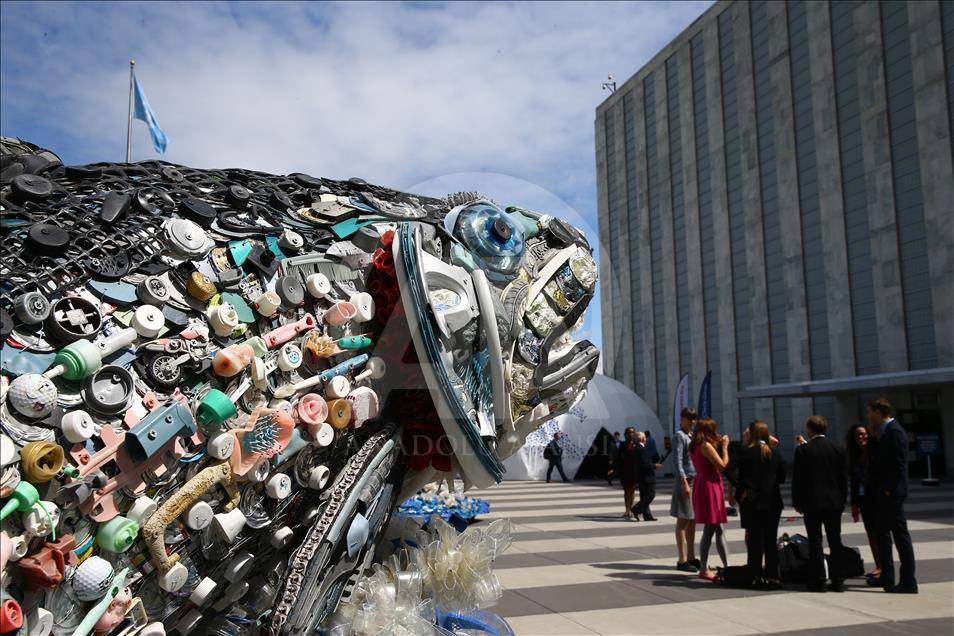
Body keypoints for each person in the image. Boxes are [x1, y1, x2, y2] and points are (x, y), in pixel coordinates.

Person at [867, 397, 918, 593]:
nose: (868, 416)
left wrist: (888, 488)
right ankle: (886, 577)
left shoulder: (895, 432)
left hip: (892, 493)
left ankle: (908, 581)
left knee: (900, 536)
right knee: (882, 534)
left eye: (870, 412)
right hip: (884, 492)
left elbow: (899, 464)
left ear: (878, 412)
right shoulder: (884, 432)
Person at [792, 415, 848, 593]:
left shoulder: (803, 450)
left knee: (815, 541)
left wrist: (797, 502)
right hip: (833, 502)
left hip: (812, 502)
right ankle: (838, 580)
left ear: (810, 429)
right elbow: (843, 479)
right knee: (835, 540)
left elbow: (798, 479)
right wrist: (842, 500)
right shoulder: (838, 449)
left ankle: (819, 580)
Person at [730, 420, 785, 588]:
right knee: (770, 539)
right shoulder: (774, 452)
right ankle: (773, 576)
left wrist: (740, 487)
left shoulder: (745, 451)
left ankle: (755, 575)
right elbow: (782, 478)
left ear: (752, 434)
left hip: (752, 500)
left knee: (754, 540)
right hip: (772, 500)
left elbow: (728, 469)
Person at [690, 418, 730, 581]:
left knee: (718, 528)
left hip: (703, 483)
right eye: (713, 429)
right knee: (711, 527)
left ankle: (727, 566)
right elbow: (723, 466)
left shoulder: (695, 445)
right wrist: (725, 447)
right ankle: (703, 568)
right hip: (710, 486)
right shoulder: (705, 446)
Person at [846, 422, 882, 583]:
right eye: (858, 435)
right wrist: (854, 504)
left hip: (878, 498)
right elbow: (854, 482)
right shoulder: (854, 456)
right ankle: (878, 565)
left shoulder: (876, 451)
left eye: (864, 433)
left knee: (880, 534)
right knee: (871, 533)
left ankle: (884, 567)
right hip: (864, 500)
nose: (862, 437)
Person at [671, 407, 699, 572]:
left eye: (694, 418)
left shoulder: (692, 435)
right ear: (682, 419)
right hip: (686, 480)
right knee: (683, 521)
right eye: (689, 418)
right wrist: (684, 482)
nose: (692, 421)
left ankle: (691, 556)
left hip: (695, 480)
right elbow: (678, 461)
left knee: (692, 520)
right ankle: (682, 559)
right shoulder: (679, 436)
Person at [631, 431, 663, 521]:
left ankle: (647, 515)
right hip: (647, 476)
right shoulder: (641, 449)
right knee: (650, 495)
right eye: (644, 437)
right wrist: (655, 465)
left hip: (641, 476)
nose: (646, 439)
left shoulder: (637, 448)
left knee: (644, 495)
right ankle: (636, 509)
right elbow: (644, 463)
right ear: (641, 438)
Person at [615, 427, 640, 519]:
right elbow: (618, 458)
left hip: (634, 471)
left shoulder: (636, 444)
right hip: (625, 471)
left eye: (633, 432)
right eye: (629, 432)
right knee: (626, 491)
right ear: (625, 434)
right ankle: (627, 510)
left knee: (632, 490)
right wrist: (617, 470)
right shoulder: (622, 444)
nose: (631, 434)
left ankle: (630, 509)